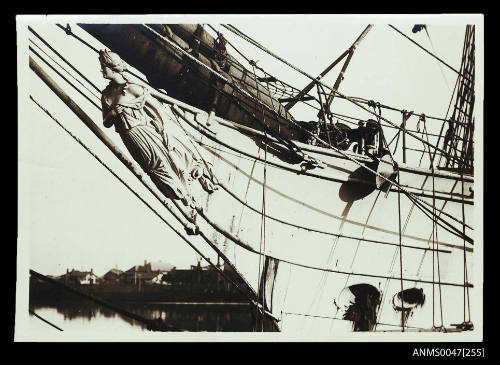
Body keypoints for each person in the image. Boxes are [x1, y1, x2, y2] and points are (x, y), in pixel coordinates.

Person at [99, 50, 218, 211]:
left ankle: (193, 188)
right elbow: (106, 122)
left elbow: (156, 109)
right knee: (152, 169)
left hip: (145, 133)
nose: (101, 70)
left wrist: (164, 129)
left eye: (103, 66)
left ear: (112, 66)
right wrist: (113, 113)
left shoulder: (132, 88)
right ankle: (184, 198)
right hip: (128, 137)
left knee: (163, 162)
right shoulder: (106, 95)